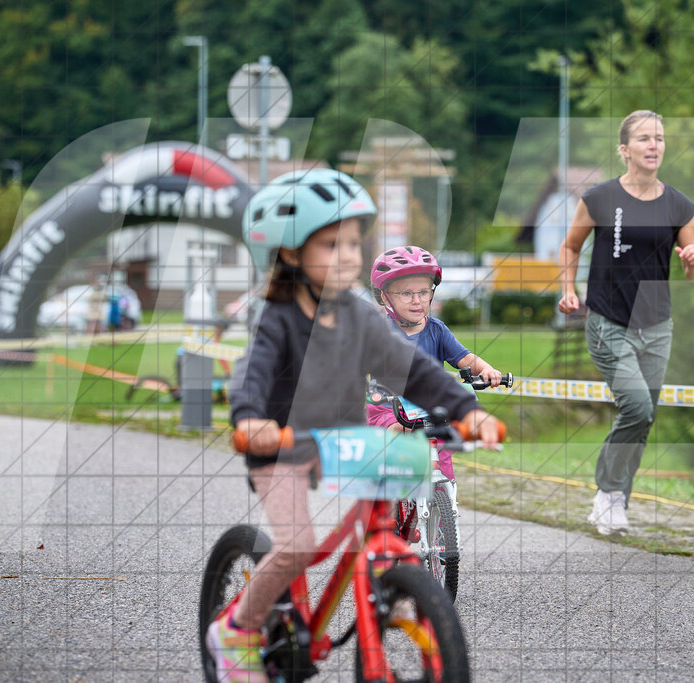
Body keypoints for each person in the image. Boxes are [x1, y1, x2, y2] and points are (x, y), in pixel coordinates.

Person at [206, 168, 501, 682]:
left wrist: (466, 409)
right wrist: (251, 421)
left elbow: (414, 372)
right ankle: (235, 629)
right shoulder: (277, 316)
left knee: (381, 529)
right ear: (291, 255)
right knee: (298, 544)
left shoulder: (363, 318)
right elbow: (253, 376)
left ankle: (388, 602)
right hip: (281, 444)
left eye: (352, 243)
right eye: (330, 244)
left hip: (343, 438)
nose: (346, 255)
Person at [557, 110, 694, 536]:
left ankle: (617, 498)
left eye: (658, 138)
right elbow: (570, 247)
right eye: (643, 138)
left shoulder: (680, 205)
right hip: (608, 321)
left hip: (657, 325)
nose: (653, 145)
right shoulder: (600, 199)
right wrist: (568, 289)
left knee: (643, 416)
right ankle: (607, 494)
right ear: (625, 150)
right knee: (636, 406)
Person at [367, 245, 504, 479]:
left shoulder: (437, 330)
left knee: (443, 465)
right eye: (406, 294)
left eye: (423, 292)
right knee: (395, 434)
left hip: (431, 410)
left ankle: (444, 504)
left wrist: (487, 369)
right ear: (385, 296)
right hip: (389, 408)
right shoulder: (379, 332)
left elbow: (467, 359)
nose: (417, 301)